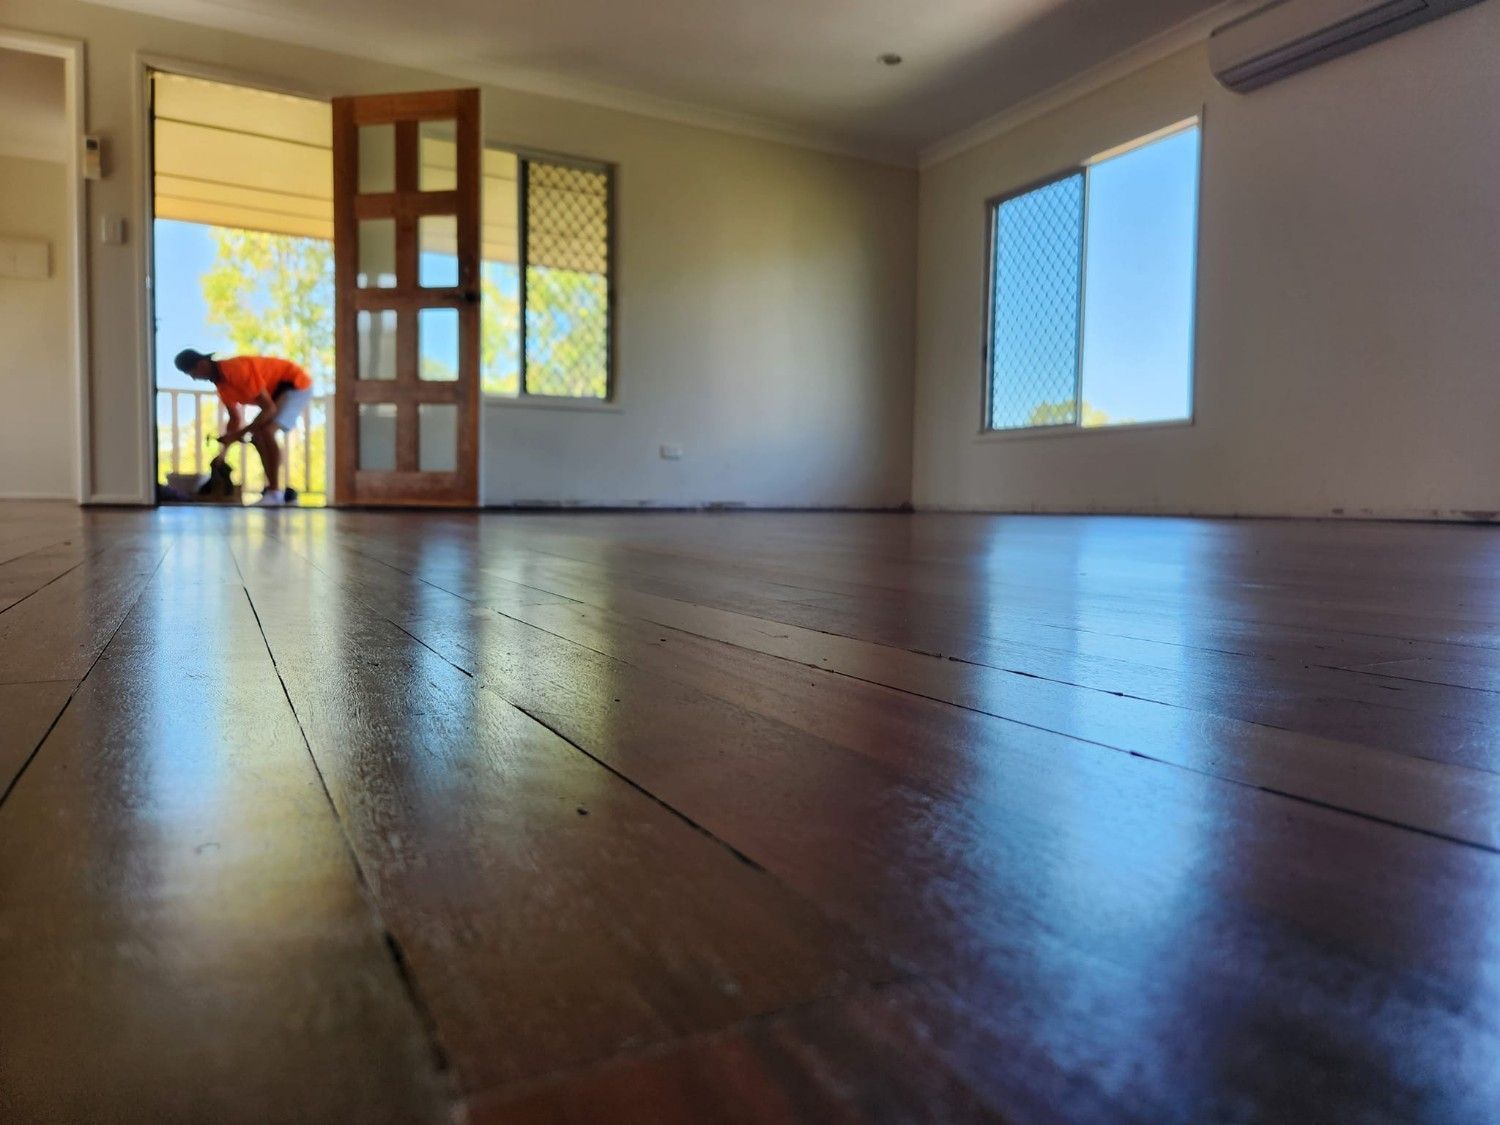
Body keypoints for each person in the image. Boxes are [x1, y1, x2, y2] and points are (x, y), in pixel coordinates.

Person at [174, 348, 314, 507]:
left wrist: (238, 434)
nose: (193, 378)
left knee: (267, 432)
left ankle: (275, 493)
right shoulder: (223, 388)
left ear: (201, 364)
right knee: (258, 436)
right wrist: (223, 453)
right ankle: (275, 492)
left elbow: (269, 409)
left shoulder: (235, 369)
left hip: (295, 384)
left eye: (192, 373)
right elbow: (235, 420)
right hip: (276, 393)